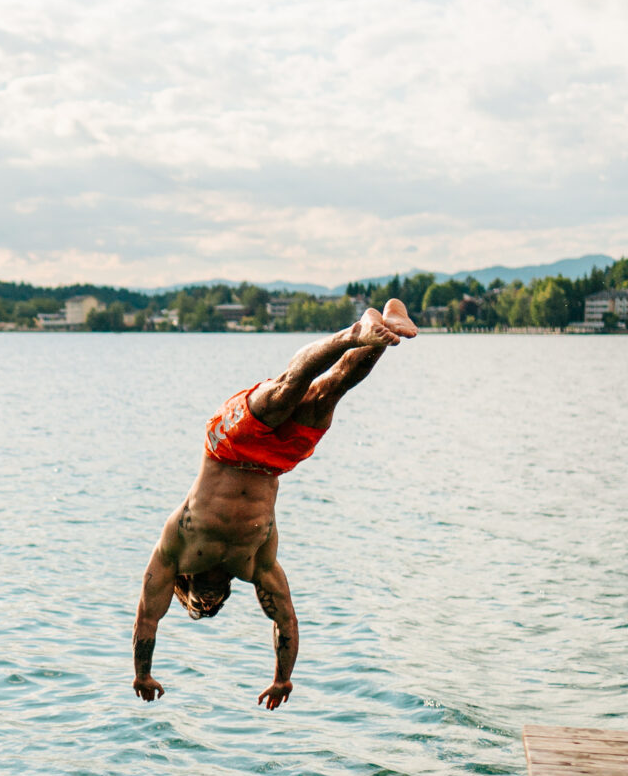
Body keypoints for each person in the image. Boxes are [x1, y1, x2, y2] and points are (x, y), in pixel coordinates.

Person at [132, 299, 418, 706]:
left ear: (187, 589)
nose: (208, 604)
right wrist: (283, 678)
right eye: (214, 609)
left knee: (288, 389)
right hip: (276, 463)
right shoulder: (253, 565)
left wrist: (142, 672)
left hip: (229, 445)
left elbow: (147, 616)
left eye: (199, 606)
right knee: (329, 391)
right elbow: (283, 617)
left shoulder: (175, 552)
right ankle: (383, 328)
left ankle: (353, 333)